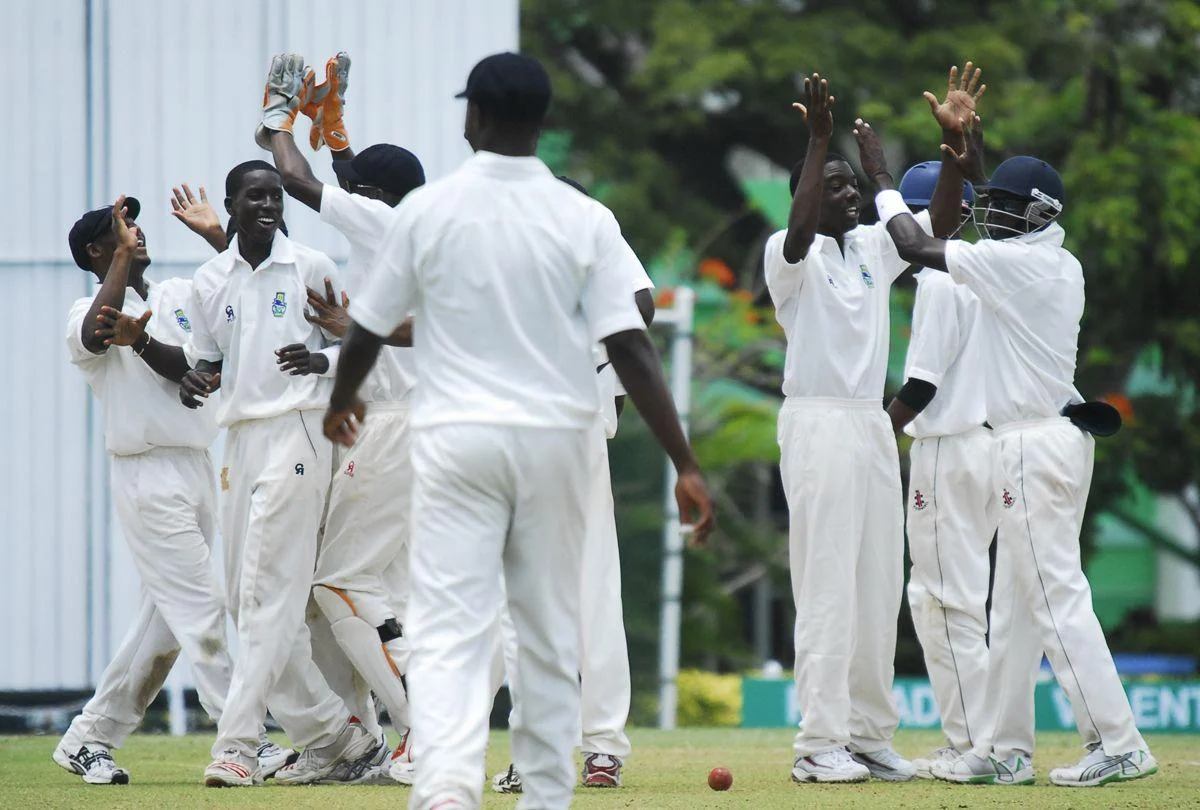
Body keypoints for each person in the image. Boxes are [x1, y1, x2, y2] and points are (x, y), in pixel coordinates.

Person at [323, 51, 714, 810]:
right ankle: (544, 793)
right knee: (545, 626)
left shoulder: (430, 211)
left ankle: (444, 789)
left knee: (452, 622)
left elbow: (369, 322)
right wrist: (685, 462)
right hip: (555, 445)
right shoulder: (583, 217)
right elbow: (632, 341)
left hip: (457, 441)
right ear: (543, 121)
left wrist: (344, 397)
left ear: (474, 117)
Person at [858, 107, 1159, 786]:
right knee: (1015, 608)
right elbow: (993, 210)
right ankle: (1005, 749)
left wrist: (881, 174)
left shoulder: (1023, 268)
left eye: (1006, 208)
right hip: (1037, 439)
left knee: (1053, 598)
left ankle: (1119, 741)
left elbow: (915, 245)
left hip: (1033, 445)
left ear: (1040, 216)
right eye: (990, 204)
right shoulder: (1039, 259)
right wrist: (970, 147)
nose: (991, 215)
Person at [765, 67, 977, 784]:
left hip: (868, 427)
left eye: (853, 184)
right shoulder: (789, 254)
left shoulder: (867, 251)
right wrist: (820, 139)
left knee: (877, 584)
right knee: (826, 584)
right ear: (806, 195)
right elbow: (796, 235)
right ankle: (816, 744)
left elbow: (939, 228)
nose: (851, 194)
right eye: (836, 185)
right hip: (818, 423)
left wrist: (948, 155)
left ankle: (866, 735)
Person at [180, 151, 375, 787]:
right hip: (237, 442)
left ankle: (236, 745)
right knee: (245, 598)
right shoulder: (210, 280)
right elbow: (210, 360)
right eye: (254, 197)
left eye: (274, 196)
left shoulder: (312, 266)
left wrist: (321, 364)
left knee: (265, 593)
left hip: (299, 430)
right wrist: (199, 378)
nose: (267, 205)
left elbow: (357, 341)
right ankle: (333, 734)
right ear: (232, 207)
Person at [262, 49, 427, 786]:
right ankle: (358, 740)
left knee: (336, 586)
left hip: (390, 427)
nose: (345, 196)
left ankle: (424, 729)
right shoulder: (414, 227)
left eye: (357, 191)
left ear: (378, 199)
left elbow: (298, 184)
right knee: (367, 595)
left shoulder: (387, 227)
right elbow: (347, 180)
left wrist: (280, 120)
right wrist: (337, 128)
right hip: (410, 425)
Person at [56, 197, 248, 784]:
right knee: (202, 611)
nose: (136, 233)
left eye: (134, 224)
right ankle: (243, 737)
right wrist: (117, 256)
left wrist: (219, 235)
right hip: (145, 474)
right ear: (97, 250)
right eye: (121, 229)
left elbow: (242, 292)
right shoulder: (83, 311)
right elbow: (96, 332)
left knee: (164, 627)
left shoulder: (175, 296)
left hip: (197, 465)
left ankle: (89, 738)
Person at [490, 175, 655, 795]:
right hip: (513, 428)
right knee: (522, 603)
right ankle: (545, 748)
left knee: (589, 592)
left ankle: (600, 746)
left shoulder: (592, 222)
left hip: (573, 425)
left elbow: (642, 301)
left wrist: (578, 336)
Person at [888, 161, 1041, 780]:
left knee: (942, 600)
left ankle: (980, 745)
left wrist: (877, 434)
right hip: (994, 447)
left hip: (949, 452)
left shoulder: (940, 281)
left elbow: (922, 384)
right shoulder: (991, 269)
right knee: (981, 603)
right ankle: (995, 738)